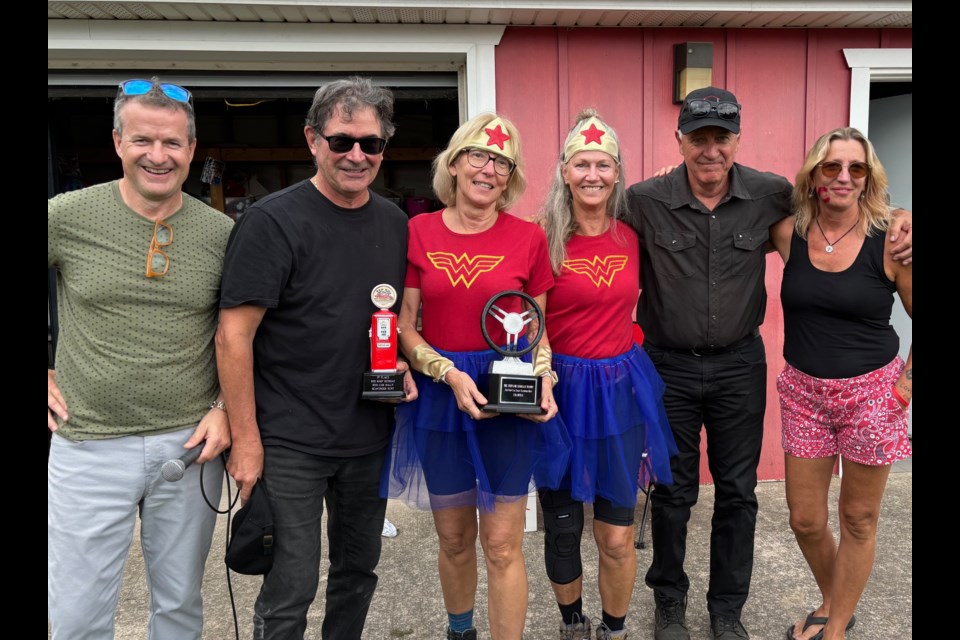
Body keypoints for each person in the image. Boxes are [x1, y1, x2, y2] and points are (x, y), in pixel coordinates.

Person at [623, 87, 913, 640]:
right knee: (673, 490)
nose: (711, 149)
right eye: (698, 137)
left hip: (740, 366)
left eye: (721, 137)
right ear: (680, 139)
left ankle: (727, 610)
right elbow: (588, 218)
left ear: (737, 140)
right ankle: (669, 603)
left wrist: (904, 216)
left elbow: (854, 205)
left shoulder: (769, 195)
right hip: (670, 367)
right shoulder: (646, 199)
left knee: (737, 491)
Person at [216, 77, 417, 640]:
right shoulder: (272, 222)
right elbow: (233, 337)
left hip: (368, 435)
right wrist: (246, 439)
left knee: (357, 574)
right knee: (290, 586)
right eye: (342, 140)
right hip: (290, 441)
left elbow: (392, 324)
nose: (357, 155)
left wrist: (401, 364)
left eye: (371, 143)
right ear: (312, 139)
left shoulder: (395, 223)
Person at [47, 77, 233, 639]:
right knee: (76, 615)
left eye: (172, 143)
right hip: (88, 445)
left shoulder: (223, 233)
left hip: (190, 447)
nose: (158, 156)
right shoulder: (67, 214)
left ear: (191, 149)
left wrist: (225, 404)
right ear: (117, 142)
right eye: (143, 140)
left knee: (179, 608)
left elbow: (246, 333)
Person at [381, 113, 571, 640]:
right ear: (455, 163)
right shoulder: (418, 230)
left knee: (504, 545)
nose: (488, 170)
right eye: (478, 156)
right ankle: (460, 631)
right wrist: (445, 372)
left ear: (510, 176)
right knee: (455, 539)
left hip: (507, 400)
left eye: (501, 162)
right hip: (443, 400)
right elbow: (405, 325)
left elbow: (537, 328)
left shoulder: (529, 238)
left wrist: (545, 377)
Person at [537, 108, 678, 640]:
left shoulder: (634, 232)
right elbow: (530, 322)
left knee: (615, 535)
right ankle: (573, 624)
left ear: (617, 172)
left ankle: (615, 629)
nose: (592, 175)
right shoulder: (542, 238)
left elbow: (684, 197)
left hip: (620, 391)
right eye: (581, 164)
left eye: (603, 164)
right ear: (564, 171)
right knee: (564, 528)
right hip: (561, 393)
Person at [770, 127, 911, 640]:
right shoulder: (787, 234)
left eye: (856, 168)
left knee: (857, 519)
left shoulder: (893, 242)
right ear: (813, 177)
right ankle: (836, 602)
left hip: (873, 394)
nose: (844, 178)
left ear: (869, 178)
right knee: (805, 520)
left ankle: (834, 630)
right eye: (831, 167)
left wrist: (906, 386)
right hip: (804, 393)